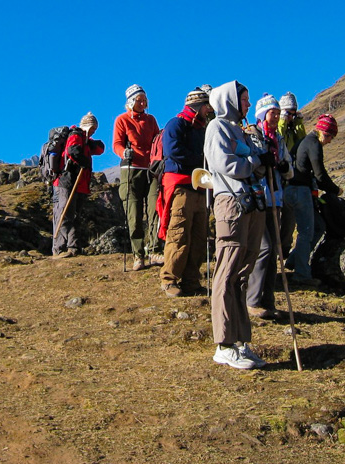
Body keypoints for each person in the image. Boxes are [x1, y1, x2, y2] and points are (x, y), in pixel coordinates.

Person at [204, 81, 268, 370]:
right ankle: (224, 343)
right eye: (244, 99)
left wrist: (262, 159)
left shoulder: (240, 130)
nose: (248, 105)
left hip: (251, 204)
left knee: (243, 271)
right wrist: (254, 161)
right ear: (230, 100)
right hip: (231, 202)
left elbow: (255, 165)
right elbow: (227, 165)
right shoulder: (216, 128)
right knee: (227, 270)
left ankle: (241, 340)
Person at [157, 87, 214, 297]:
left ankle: (191, 280)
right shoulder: (176, 124)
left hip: (199, 187)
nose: (209, 110)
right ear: (199, 106)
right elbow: (173, 151)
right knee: (179, 233)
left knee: (198, 236)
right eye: (207, 106)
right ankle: (169, 278)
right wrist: (200, 161)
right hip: (180, 185)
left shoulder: (201, 128)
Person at [246, 94, 294, 320]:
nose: (275, 116)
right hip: (259, 199)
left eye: (277, 113)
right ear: (263, 114)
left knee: (274, 249)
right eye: (272, 113)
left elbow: (289, 169)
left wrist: (284, 167)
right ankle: (252, 300)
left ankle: (268, 300)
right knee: (263, 248)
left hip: (276, 199)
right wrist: (262, 163)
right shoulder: (253, 135)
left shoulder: (280, 139)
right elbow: (252, 167)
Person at [284, 113, 340, 285]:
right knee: (306, 231)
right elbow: (320, 173)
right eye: (330, 136)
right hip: (300, 191)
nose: (330, 141)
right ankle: (302, 274)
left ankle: (294, 260)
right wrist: (335, 189)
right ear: (324, 132)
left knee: (318, 226)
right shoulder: (314, 144)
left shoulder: (303, 141)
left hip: (290, 189)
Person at [113, 85, 162, 271]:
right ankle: (138, 254)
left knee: (155, 209)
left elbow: (157, 139)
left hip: (151, 170)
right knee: (134, 214)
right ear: (130, 102)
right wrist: (123, 153)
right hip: (131, 170)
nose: (142, 103)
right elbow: (116, 143)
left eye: (144, 100)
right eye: (138, 100)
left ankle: (155, 250)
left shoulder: (151, 120)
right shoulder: (122, 120)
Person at [53, 112, 105, 258]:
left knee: (74, 215)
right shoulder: (75, 135)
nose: (94, 131)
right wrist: (84, 161)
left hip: (79, 183)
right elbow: (72, 151)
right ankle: (61, 248)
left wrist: (91, 142)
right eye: (92, 128)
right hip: (67, 181)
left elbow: (100, 149)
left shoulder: (85, 140)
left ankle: (73, 246)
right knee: (66, 215)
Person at [276, 92, 305, 261]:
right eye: (288, 112)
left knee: (289, 216)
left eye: (293, 112)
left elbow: (301, 143)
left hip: (291, 178)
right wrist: (282, 120)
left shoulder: (294, 128)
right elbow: (278, 139)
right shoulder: (279, 126)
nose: (290, 116)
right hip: (278, 177)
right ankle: (275, 249)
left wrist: (298, 123)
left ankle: (285, 248)